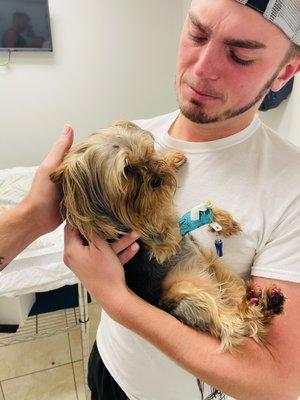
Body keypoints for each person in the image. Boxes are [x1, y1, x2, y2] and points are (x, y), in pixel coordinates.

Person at [62, 1, 300, 400]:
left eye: (239, 56)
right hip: (110, 367)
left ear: (285, 73)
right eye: (196, 34)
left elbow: (280, 382)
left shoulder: (290, 185)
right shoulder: (132, 138)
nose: (201, 70)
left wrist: (115, 300)